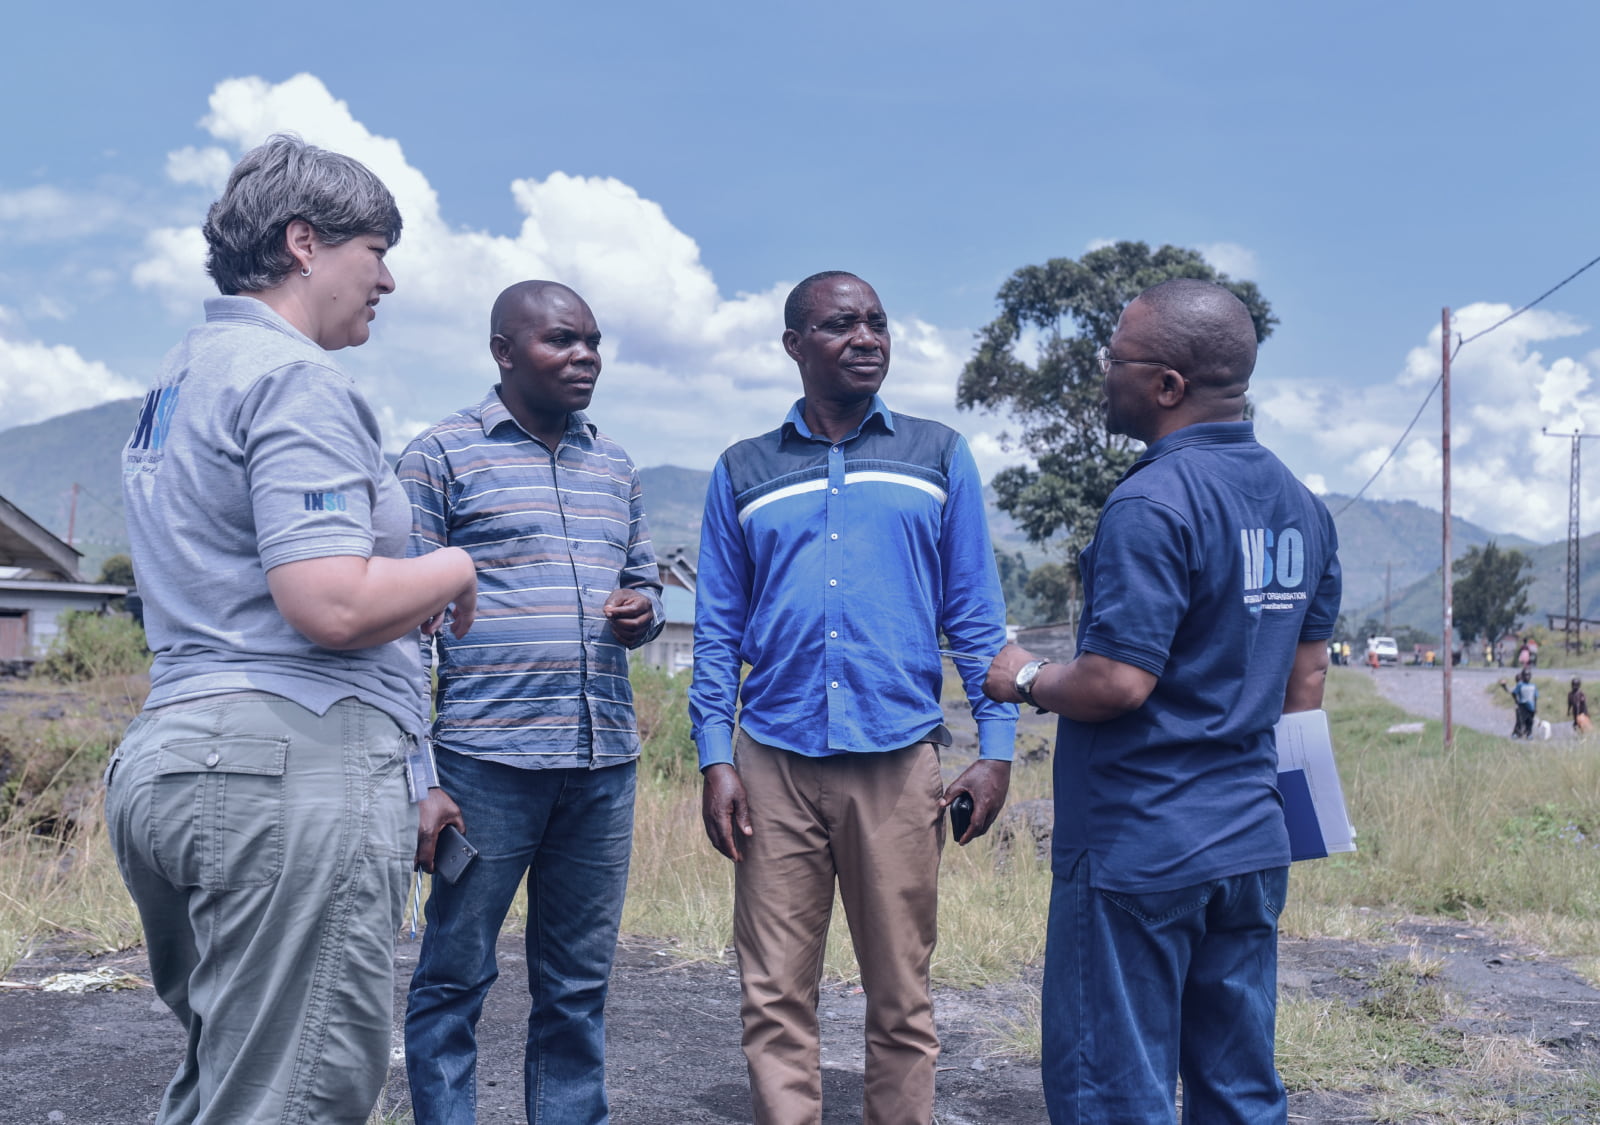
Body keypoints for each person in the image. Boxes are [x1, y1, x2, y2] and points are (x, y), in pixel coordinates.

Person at [104, 135, 479, 1125]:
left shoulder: (179, 380)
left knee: (230, 1084)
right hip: (286, 770)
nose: (388, 279)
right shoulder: (295, 379)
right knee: (295, 1097)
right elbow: (330, 604)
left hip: (178, 758)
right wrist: (451, 566)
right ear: (303, 242)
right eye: (375, 250)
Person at [983, 278, 1340, 1124]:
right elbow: (1308, 681)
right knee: (1240, 1087)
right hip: (1252, 845)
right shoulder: (1303, 506)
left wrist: (1023, 678)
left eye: (1116, 358)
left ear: (1168, 386)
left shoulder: (1152, 502)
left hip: (1140, 847)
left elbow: (1117, 680)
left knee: (1114, 1089)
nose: (1104, 373)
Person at [691, 270, 1017, 1124]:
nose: (866, 337)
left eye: (877, 322)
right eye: (841, 325)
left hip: (900, 761)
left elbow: (977, 616)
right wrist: (715, 758)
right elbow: (718, 631)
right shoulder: (743, 470)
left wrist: (998, 748)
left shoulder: (936, 455)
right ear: (796, 345)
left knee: (902, 1001)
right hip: (774, 765)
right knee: (772, 997)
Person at [400, 280, 663, 1125]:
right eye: (562, 341)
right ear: (504, 351)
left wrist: (642, 611)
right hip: (485, 766)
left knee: (578, 986)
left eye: (593, 341)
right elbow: (399, 625)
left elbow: (645, 578)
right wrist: (417, 775)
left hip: (601, 765)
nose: (584, 357)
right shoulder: (440, 456)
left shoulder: (615, 464)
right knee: (453, 977)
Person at [1502, 669, 1538, 738]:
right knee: (1520, 721)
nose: (1526, 677)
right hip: (1521, 706)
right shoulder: (1519, 686)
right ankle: (1517, 733)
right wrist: (1504, 686)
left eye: (1528, 675)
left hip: (1530, 707)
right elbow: (1511, 691)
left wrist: (1535, 707)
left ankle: (1527, 733)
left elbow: (1535, 697)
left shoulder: (1532, 686)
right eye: (1524, 675)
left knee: (1529, 721)